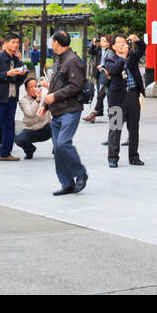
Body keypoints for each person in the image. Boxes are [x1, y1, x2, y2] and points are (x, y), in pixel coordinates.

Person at [43, 30, 89, 195]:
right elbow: (54, 85)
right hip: (56, 110)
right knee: (57, 148)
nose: (51, 43)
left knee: (63, 143)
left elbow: (75, 86)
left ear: (56, 42)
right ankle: (66, 183)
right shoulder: (59, 60)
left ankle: (80, 173)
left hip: (70, 109)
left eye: (52, 41)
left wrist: (53, 96)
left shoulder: (72, 60)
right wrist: (45, 104)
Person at [102, 34, 146, 168]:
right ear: (113, 46)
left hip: (132, 95)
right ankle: (113, 157)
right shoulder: (110, 58)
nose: (122, 45)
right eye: (119, 43)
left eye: (124, 42)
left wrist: (137, 40)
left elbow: (142, 49)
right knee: (115, 128)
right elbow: (114, 70)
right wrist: (122, 58)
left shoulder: (131, 56)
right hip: (117, 98)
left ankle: (134, 156)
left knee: (134, 128)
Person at [0, 35, 28, 164]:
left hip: (12, 96)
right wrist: (7, 74)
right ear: (6, 44)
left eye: (17, 43)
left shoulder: (16, 60)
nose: (16, 45)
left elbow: (20, 80)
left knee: (10, 125)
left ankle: (6, 153)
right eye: (13, 42)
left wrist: (22, 73)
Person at [15, 78, 53, 159]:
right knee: (19, 139)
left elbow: (55, 95)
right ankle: (30, 150)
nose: (35, 89)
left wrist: (48, 87)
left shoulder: (44, 93)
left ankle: (57, 150)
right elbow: (30, 112)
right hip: (31, 130)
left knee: (58, 124)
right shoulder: (23, 100)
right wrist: (38, 100)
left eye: (36, 86)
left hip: (46, 127)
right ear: (26, 89)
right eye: (31, 87)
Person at [83, 35, 112, 123]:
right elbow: (91, 52)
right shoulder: (99, 49)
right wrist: (93, 44)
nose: (101, 42)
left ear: (108, 43)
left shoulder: (111, 51)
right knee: (102, 92)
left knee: (102, 93)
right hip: (99, 72)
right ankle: (100, 112)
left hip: (107, 72)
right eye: (101, 40)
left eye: (104, 41)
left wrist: (103, 66)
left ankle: (96, 113)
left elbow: (110, 61)